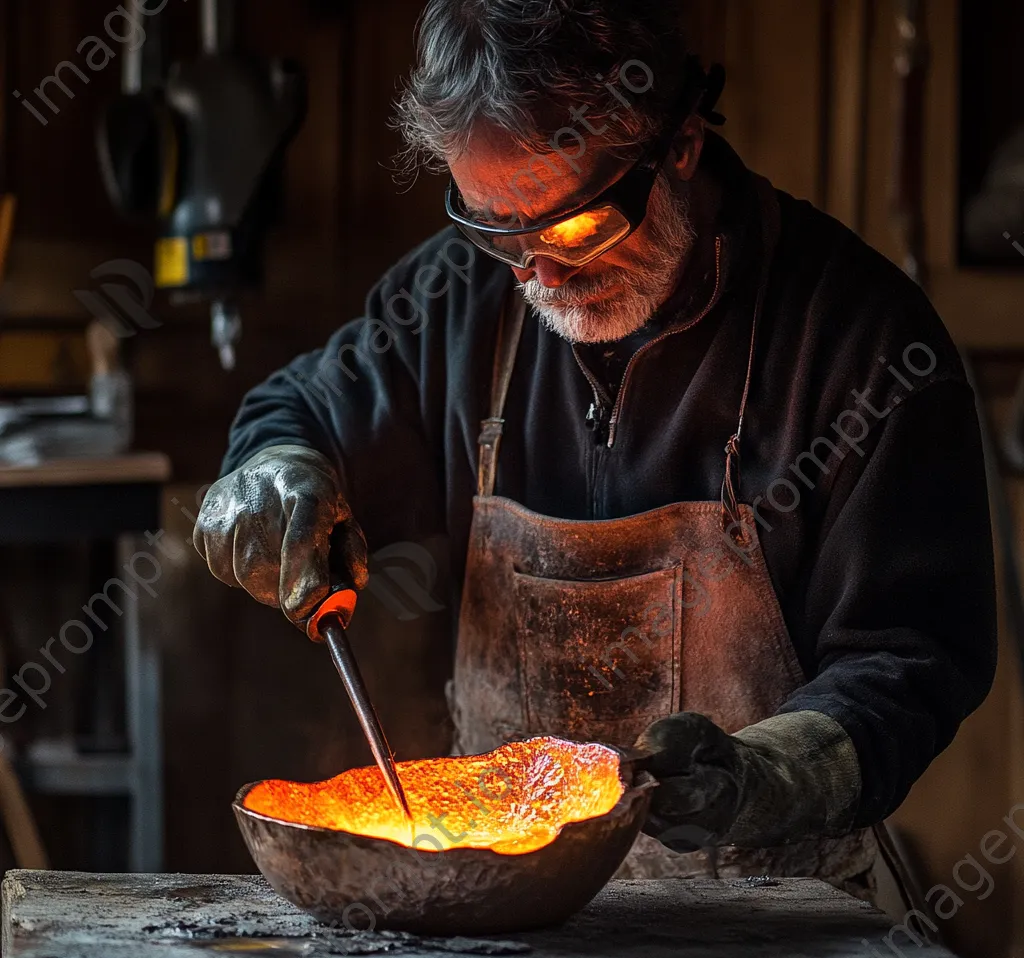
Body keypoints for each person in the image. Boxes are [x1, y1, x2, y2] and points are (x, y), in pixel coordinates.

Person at [194, 0, 996, 898]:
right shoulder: (461, 301)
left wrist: (765, 775)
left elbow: (911, 657)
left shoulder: (862, 346)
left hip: (776, 927)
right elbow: (304, 410)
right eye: (498, 228)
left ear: (679, 143)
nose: (535, 270)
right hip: (499, 913)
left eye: (572, 226)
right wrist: (275, 474)